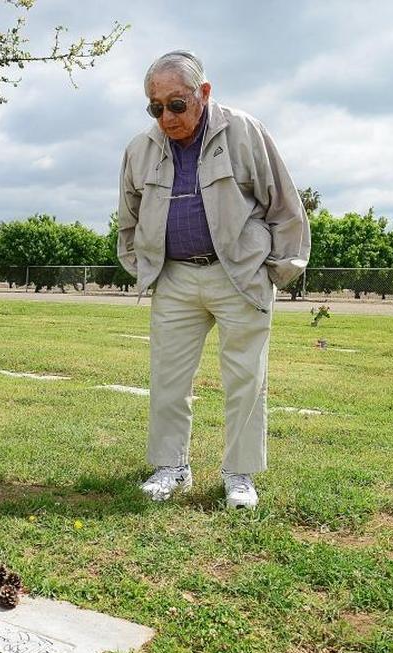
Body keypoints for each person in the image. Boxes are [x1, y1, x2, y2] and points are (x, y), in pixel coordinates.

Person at [116, 51, 309, 508]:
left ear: (204, 94)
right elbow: (128, 219)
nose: (166, 116)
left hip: (240, 276)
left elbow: (285, 206)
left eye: (176, 104)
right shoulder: (139, 150)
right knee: (167, 379)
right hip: (175, 279)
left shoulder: (245, 132)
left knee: (245, 378)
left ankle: (238, 475)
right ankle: (171, 467)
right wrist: (145, 268)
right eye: (155, 107)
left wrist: (275, 272)